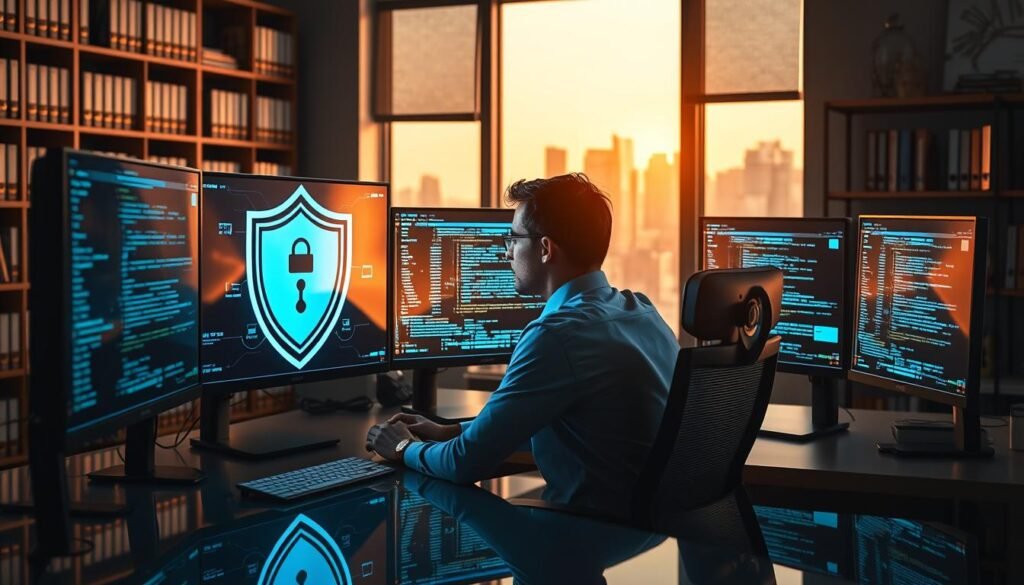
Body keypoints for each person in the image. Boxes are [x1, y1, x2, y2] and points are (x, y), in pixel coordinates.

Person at [367, 173, 679, 516]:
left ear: (545, 249)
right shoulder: (641, 310)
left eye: (514, 239)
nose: (507, 253)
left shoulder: (557, 336)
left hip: (591, 532)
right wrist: (451, 430)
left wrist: (401, 446)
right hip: (651, 530)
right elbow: (568, 423)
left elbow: (462, 463)